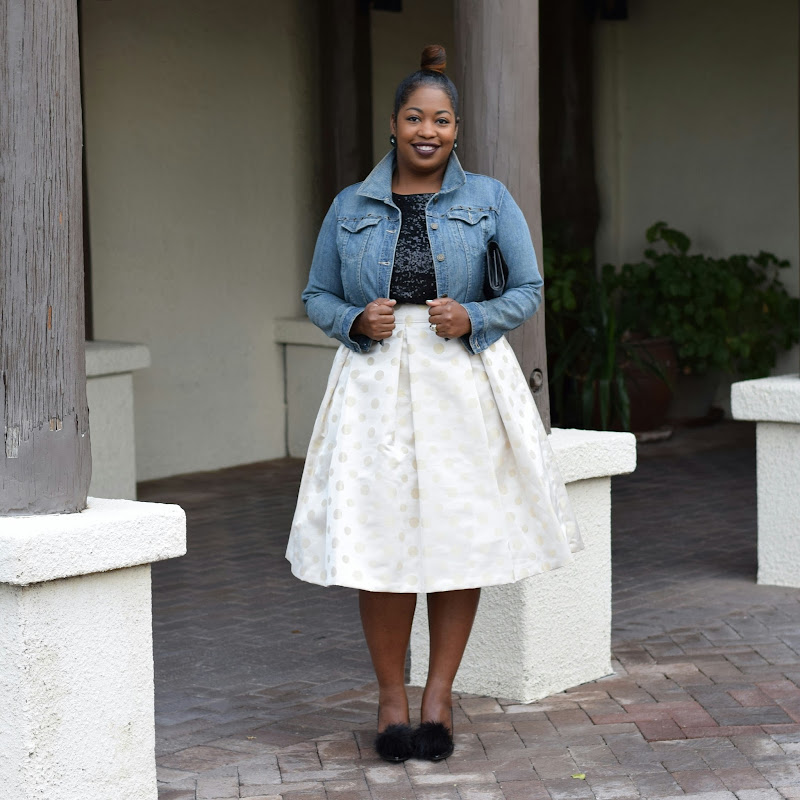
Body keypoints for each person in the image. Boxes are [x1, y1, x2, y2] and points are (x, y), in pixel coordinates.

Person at [286, 45, 582, 763]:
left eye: (441, 120)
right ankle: (391, 699)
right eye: (415, 117)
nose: (428, 130)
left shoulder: (491, 200)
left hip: (463, 382)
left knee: (460, 538)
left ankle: (438, 698)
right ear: (394, 124)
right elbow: (317, 294)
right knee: (380, 542)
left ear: (457, 129)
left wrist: (474, 316)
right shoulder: (350, 205)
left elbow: (528, 289)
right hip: (375, 383)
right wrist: (354, 320)